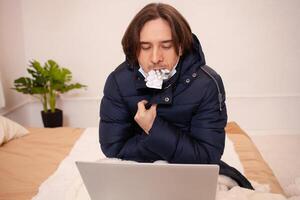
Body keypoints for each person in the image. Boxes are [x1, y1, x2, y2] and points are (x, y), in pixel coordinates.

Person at [99, 3, 253, 189]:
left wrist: (153, 128)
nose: (155, 58)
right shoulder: (118, 82)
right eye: (145, 47)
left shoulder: (207, 84)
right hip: (138, 177)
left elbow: (207, 157)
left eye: (166, 46)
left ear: (180, 47)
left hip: (191, 177)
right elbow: (113, 149)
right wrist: (172, 150)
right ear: (135, 49)